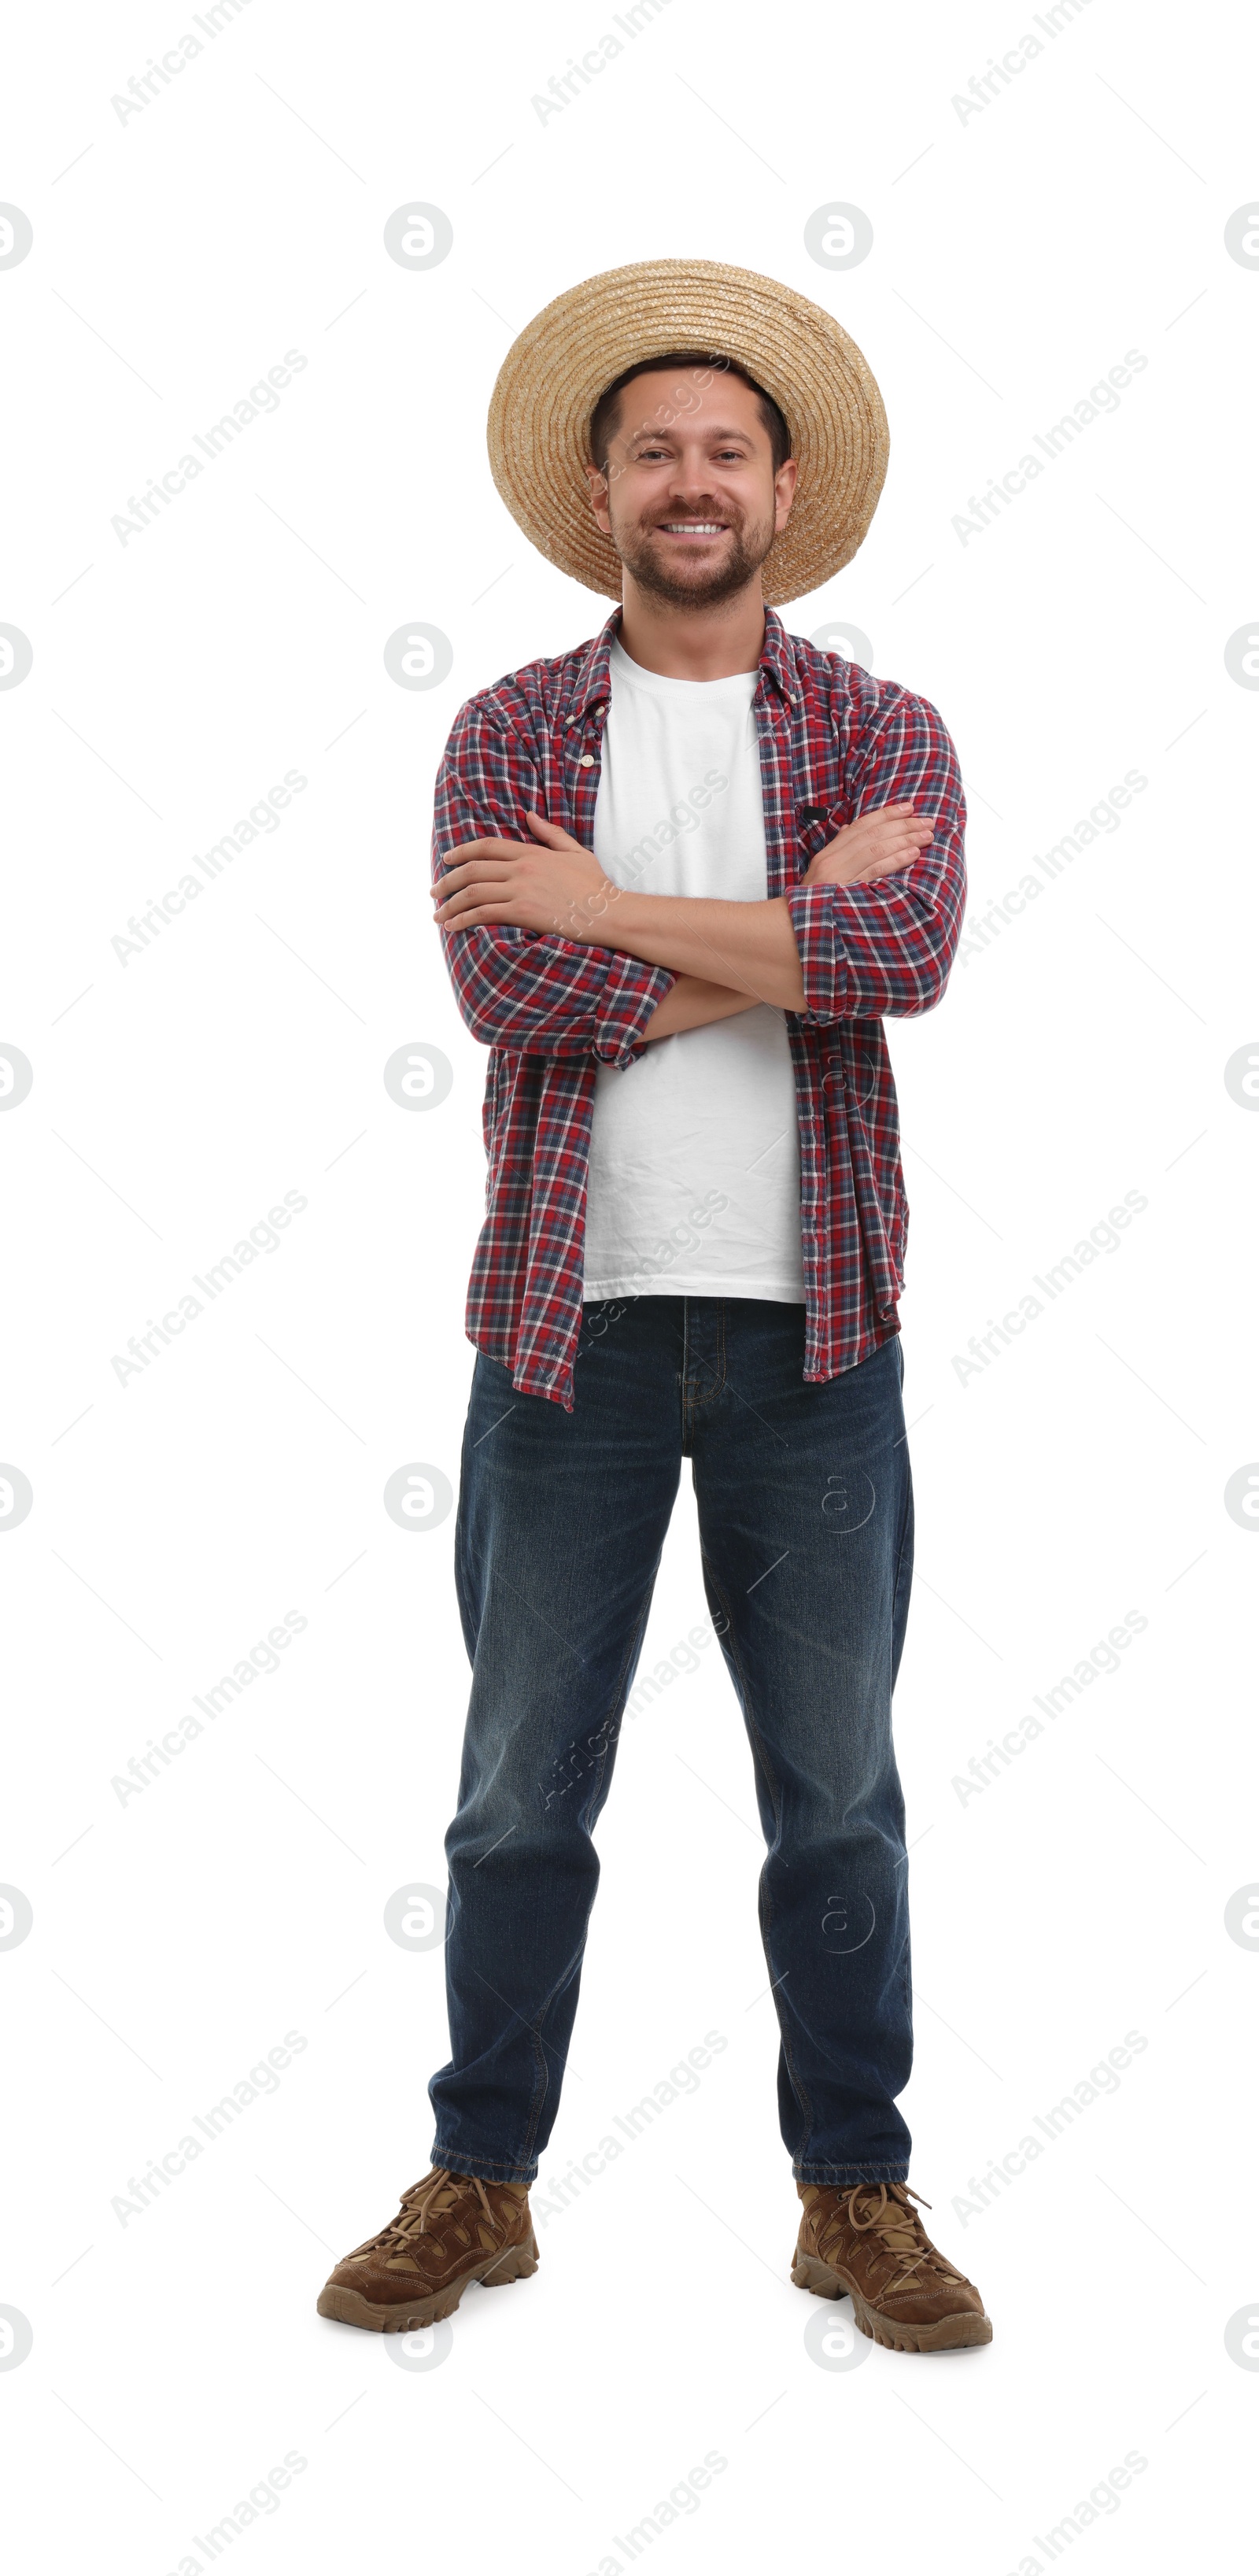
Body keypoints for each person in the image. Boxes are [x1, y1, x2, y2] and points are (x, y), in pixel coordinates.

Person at [317, 259, 990, 2352]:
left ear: (783, 485)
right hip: (565, 1342)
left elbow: (913, 954)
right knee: (519, 1787)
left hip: (816, 1344)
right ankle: (480, 2172)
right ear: (599, 494)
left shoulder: (887, 727)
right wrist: (788, 932)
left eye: (724, 449)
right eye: (652, 453)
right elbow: (509, 988)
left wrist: (610, 905)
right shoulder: (507, 728)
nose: (690, 482)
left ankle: (854, 2189)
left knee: (838, 1790)